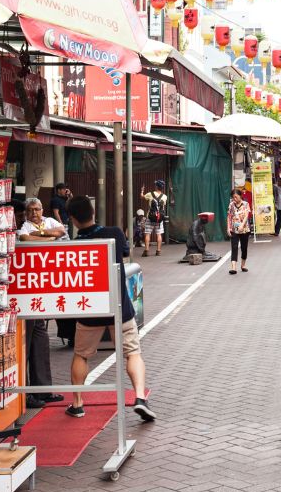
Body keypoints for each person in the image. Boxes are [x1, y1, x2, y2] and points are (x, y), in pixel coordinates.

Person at [65, 196, 154, 422]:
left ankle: (77, 403)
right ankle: (140, 397)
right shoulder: (114, 233)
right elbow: (125, 253)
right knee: (132, 352)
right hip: (119, 307)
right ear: (93, 212)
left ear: (73, 219)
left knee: (81, 355)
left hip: (90, 310)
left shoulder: (73, 244)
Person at [16, 199, 66, 408]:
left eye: (37, 209)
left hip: (44, 290)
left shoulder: (50, 221)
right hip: (26, 290)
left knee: (41, 338)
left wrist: (42, 236)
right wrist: (48, 237)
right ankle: (27, 394)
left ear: (42, 210)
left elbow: (61, 232)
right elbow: (26, 239)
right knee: (26, 342)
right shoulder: (24, 227)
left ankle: (43, 390)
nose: (34, 213)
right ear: (26, 213)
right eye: (30, 210)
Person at [226, 188, 252, 274]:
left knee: (244, 248)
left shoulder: (246, 204)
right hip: (234, 229)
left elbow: (246, 216)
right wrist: (228, 228)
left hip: (244, 229)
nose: (234, 199)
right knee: (234, 247)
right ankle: (233, 268)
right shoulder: (231, 205)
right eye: (233, 197)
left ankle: (243, 265)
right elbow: (229, 216)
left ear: (240, 196)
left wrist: (241, 225)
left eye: (236, 197)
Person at [140, 179, 170, 257]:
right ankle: (158, 251)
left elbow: (142, 197)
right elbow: (163, 206)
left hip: (150, 218)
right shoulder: (165, 196)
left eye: (155, 185)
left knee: (147, 234)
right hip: (159, 219)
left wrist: (142, 191)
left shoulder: (150, 194)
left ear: (157, 186)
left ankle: (146, 251)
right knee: (159, 234)